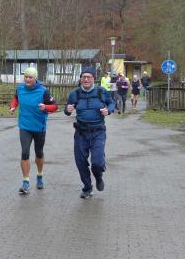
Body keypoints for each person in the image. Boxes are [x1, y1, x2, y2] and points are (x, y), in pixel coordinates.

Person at [64, 67, 116, 199]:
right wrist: (68, 109)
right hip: (81, 133)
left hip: (98, 132)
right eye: (84, 77)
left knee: (97, 163)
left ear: (93, 79)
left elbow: (111, 103)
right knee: (81, 162)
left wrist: (108, 110)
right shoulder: (75, 94)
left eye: (89, 77)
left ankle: (98, 177)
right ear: (80, 79)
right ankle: (87, 187)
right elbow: (67, 110)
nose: (86, 79)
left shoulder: (101, 92)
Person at [8, 67, 58, 194]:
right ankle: (26, 182)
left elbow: (55, 106)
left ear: (35, 79)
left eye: (30, 77)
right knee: (25, 153)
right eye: (26, 77)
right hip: (24, 126)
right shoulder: (20, 88)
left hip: (39, 127)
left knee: (39, 153)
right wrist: (13, 106)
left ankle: (40, 175)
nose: (28, 79)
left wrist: (45, 107)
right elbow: (16, 99)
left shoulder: (43, 91)